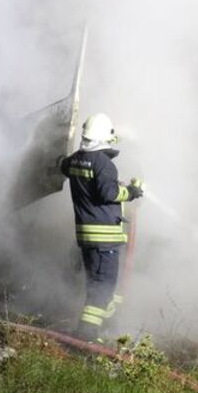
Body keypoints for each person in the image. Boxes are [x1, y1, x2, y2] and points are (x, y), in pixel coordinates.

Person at [59, 113, 142, 342]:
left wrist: (56, 159)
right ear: (106, 137)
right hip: (105, 238)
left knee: (99, 286)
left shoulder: (76, 159)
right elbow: (109, 193)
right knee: (102, 288)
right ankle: (86, 337)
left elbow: (64, 166)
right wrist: (132, 192)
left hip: (86, 236)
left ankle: (105, 326)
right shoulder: (104, 164)